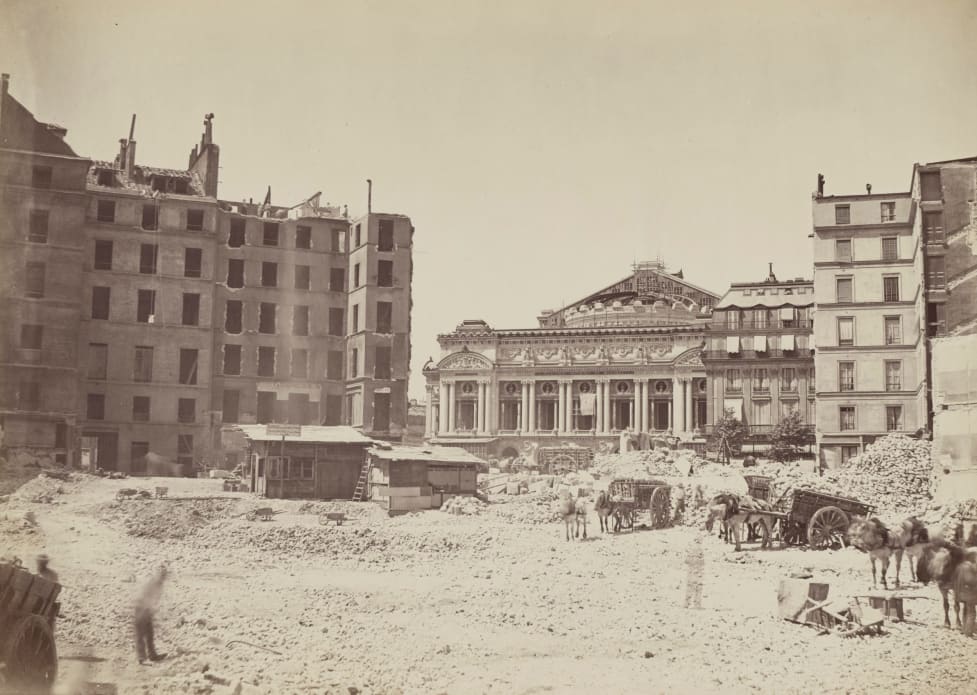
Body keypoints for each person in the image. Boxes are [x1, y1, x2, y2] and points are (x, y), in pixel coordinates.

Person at [134, 565, 168, 664]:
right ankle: (141, 658)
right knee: (141, 634)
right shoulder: (152, 583)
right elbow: (145, 596)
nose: (163, 577)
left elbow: (155, 599)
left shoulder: (159, 584)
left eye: (164, 575)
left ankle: (152, 655)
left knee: (149, 634)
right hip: (141, 608)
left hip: (147, 610)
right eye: (162, 575)